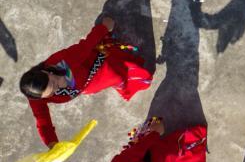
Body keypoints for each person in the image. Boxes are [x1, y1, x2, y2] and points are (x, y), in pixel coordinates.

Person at [20, 16, 151, 147]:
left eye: (54, 82)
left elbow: (85, 47)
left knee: (127, 75)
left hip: (98, 69)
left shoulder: (62, 61)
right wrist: (52, 144)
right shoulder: (36, 97)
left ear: (47, 72)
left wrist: (103, 28)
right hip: (88, 86)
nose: (57, 87)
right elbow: (43, 123)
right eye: (52, 92)